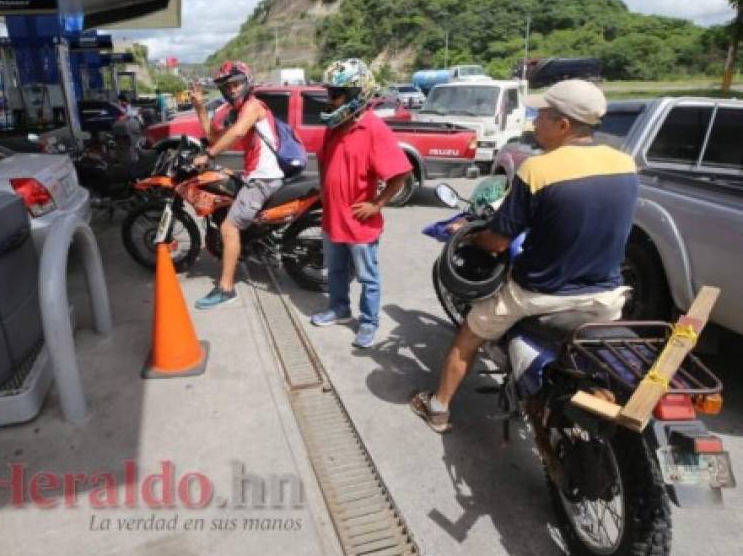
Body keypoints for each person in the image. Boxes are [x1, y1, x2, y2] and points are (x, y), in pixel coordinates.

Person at [410, 79, 638, 433]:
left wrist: (472, 240)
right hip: (606, 296)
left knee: (469, 335)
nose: (535, 123)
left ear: (563, 125)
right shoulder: (625, 163)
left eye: (543, 115)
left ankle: (437, 407)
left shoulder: (538, 169)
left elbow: (499, 242)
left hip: (539, 295)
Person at [309, 58, 412, 349]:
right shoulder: (334, 126)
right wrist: (325, 195)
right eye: (329, 93)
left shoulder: (373, 129)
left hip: (360, 223)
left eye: (336, 94)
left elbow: (401, 173)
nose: (330, 100)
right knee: (336, 270)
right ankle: (340, 309)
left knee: (368, 277)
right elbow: (323, 162)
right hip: (333, 219)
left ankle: (368, 323)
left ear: (356, 94)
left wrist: (377, 204)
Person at [189, 60, 284, 309]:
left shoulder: (253, 106)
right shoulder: (240, 111)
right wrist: (199, 107)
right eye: (226, 86)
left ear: (247, 82)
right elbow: (214, 136)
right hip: (254, 174)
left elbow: (237, 133)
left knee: (229, 228)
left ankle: (226, 288)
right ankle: (251, 241)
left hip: (263, 178)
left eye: (235, 84)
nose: (231, 89)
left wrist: (208, 156)